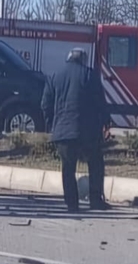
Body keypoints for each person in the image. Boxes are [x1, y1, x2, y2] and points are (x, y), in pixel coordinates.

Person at [42, 48, 109, 213]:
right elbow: (100, 102)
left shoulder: (55, 76)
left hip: (63, 132)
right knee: (95, 164)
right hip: (87, 132)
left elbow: (45, 104)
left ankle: (72, 203)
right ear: (83, 60)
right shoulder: (90, 75)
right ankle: (95, 199)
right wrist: (105, 122)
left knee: (67, 168)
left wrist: (53, 124)